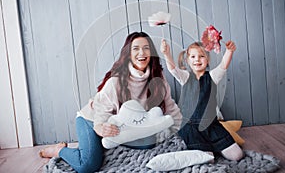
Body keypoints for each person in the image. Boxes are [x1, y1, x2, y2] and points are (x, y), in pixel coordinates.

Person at [39, 32, 182, 173]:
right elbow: (100, 110)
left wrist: (183, 131)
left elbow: (170, 107)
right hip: (91, 119)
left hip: (120, 125)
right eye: (136, 48)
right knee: (88, 165)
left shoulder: (158, 79)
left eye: (146, 48)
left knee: (148, 144)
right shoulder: (117, 81)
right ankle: (60, 151)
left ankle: (93, 147)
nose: (142, 53)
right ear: (128, 53)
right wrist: (100, 127)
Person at [160, 38, 244, 161]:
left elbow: (223, 66)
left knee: (237, 155)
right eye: (193, 57)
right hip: (192, 127)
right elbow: (172, 69)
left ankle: (215, 147)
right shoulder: (185, 77)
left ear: (208, 59)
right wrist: (166, 53)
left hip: (211, 127)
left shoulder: (212, 77)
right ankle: (200, 152)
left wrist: (229, 51)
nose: (197, 60)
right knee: (207, 159)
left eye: (201, 56)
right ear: (188, 60)